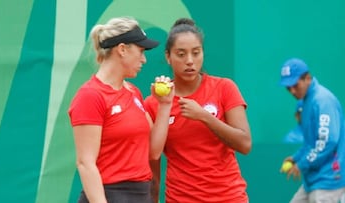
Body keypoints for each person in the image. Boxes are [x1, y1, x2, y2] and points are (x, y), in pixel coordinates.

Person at [144, 18, 252, 203]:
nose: (190, 61)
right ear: (168, 56)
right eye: (181, 54)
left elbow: (244, 144)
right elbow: (152, 165)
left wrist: (204, 117)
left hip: (229, 197)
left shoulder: (224, 87)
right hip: (181, 198)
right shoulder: (154, 103)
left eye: (196, 53)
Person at [68, 16, 174, 203]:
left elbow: (153, 152)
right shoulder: (90, 96)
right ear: (122, 49)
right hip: (108, 195)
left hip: (142, 194)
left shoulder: (133, 92)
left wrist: (165, 105)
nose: (144, 59)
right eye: (141, 51)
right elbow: (85, 163)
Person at [279, 58, 345, 203]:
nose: (292, 91)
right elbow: (311, 142)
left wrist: (301, 164)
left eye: (294, 85)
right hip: (315, 180)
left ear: (307, 78)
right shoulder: (307, 101)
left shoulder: (322, 101)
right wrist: (296, 157)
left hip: (329, 180)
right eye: (288, 87)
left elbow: (327, 141)